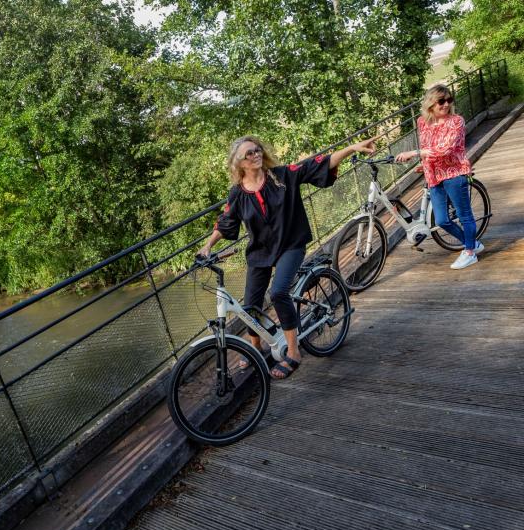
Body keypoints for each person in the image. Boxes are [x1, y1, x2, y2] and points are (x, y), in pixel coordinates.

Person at [197, 134, 377, 379]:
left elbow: (318, 164)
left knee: (279, 292)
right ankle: (256, 348)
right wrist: (207, 246)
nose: (256, 154)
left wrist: (351, 148)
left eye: (257, 149)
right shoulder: (237, 193)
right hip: (260, 250)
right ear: (238, 163)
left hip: (291, 244)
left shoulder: (282, 176)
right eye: (249, 153)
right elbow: (226, 221)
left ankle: (293, 352)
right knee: (249, 303)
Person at [395, 84, 483, 270]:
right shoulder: (422, 122)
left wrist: (414, 153)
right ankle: (472, 243)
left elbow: (446, 149)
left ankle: (469, 253)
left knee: (464, 215)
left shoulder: (456, 121)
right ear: (430, 104)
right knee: (441, 220)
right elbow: (429, 147)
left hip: (454, 173)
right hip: (434, 176)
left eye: (449, 100)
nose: (446, 104)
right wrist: (424, 164)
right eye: (441, 101)